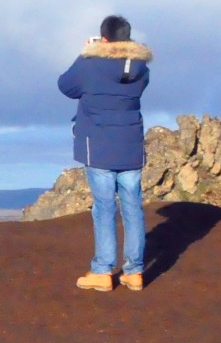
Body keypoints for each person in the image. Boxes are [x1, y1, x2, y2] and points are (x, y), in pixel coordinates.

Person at [58, 15, 152, 292]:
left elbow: (66, 86)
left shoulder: (90, 64)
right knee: (133, 207)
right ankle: (134, 272)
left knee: (104, 208)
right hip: (130, 143)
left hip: (98, 144)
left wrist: (86, 53)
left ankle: (102, 270)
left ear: (104, 38)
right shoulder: (141, 67)